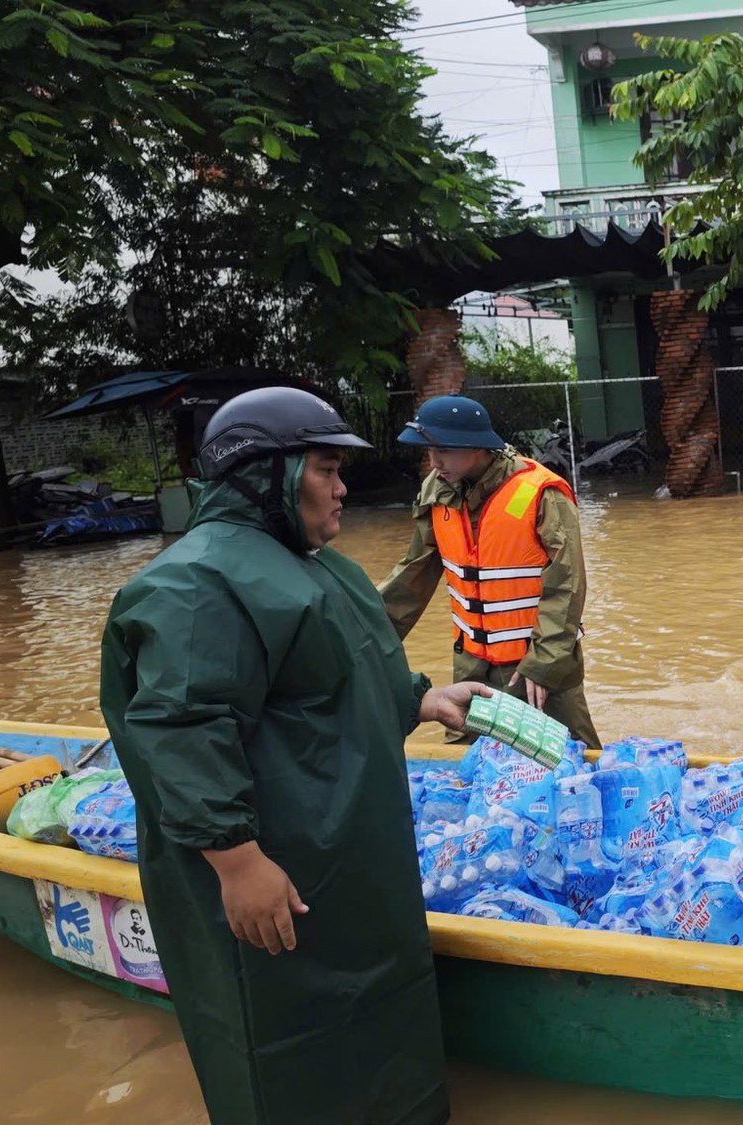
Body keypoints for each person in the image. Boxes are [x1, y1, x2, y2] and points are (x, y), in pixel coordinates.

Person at [100, 387, 491, 1125]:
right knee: (285, 1054)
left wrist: (422, 700)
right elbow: (181, 723)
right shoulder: (198, 582)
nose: (343, 487)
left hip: (353, 866)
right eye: (324, 467)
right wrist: (237, 861)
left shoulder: (321, 567)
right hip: (276, 874)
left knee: (383, 1025)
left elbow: (341, 674)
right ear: (262, 474)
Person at [377, 394, 603, 752]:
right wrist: (363, 636)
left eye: (444, 450)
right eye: (428, 451)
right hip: (471, 666)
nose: (434, 462)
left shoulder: (541, 493)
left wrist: (543, 665)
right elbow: (411, 576)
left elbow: (567, 586)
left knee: (570, 762)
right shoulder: (436, 491)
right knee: (462, 766)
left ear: (478, 447)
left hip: (537, 668)